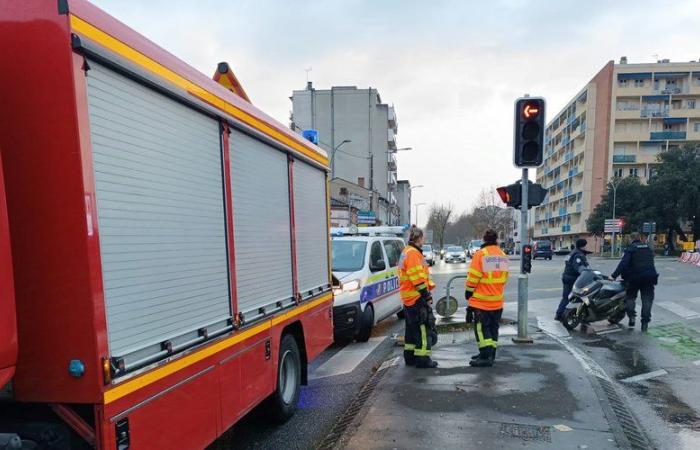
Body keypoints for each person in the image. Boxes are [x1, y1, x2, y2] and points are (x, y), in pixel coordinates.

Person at [465, 230, 509, 368]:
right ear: (496, 239)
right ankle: (490, 354)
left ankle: (485, 356)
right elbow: (505, 277)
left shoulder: (481, 254)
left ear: (484, 239)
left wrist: (468, 292)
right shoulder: (502, 255)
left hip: (482, 302)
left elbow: (473, 277)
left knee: (482, 329)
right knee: (493, 329)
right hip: (497, 301)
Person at [398, 226, 438, 368]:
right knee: (422, 329)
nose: (423, 240)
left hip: (408, 297)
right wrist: (426, 296)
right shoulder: (414, 254)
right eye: (423, 238)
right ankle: (423, 359)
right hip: (416, 298)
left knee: (411, 330)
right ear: (419, 238)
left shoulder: (406, 252)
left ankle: (410, 357)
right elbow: (417, 279)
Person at [611, 232, 658, 332]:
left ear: (631, 239)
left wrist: (614, 275)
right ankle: (645, 323)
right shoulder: (648, 248)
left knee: (630, 298)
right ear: (640, 238)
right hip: (650, 277)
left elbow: (623, 263)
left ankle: (632, 317)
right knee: (647, 300)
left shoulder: (631, 248)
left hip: (635, 277)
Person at [556, 238, 590, 321]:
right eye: (585, 245)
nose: (586, 247)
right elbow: (578, 267)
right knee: (582, 296)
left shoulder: (572, 252)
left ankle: (559, 314)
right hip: (573, 278)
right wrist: (585, 272)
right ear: (583, 246)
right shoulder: (578, 254)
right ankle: (582, 316)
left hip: (566, 276)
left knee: (566, 297)